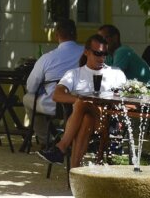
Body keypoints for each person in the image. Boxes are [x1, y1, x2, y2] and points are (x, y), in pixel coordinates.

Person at [39, 36, 126, 167]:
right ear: (86, 52)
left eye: (104, 54)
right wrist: (80, 101)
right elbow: (57, 95)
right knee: (86, 118)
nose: (101, 58)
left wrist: (81, 102)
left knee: (82, 103)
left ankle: (61, 147)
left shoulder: (115, 73)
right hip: (83, 121)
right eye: (97, 53)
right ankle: (74, 172)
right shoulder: (74, 73)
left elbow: (125, 99)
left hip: (107, 121)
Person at [23, 17, 83, 124]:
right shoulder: (87, 54)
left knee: (27, 98)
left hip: (54, 105)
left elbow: (31, 87)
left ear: (56, 35)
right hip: (82, 103)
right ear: (76, 35)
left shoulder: (47, 58)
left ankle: (42, 134)